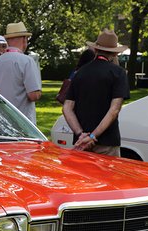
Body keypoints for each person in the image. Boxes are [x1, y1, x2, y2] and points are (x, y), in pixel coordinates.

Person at [62, 29, 129, 157]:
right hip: (107, 142)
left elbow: (67, 108)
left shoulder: (80, 72)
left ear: (96, 49)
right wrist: (93, 136)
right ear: (115, 54)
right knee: (106, 177)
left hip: (80, 142)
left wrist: (80, 134)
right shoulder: (118, 73)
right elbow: (114, 110)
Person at [0, 22, 42, 124]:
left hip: (0, 120)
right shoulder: (27, 61)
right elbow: (33, 95)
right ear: (24, 39)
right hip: (22, 122)